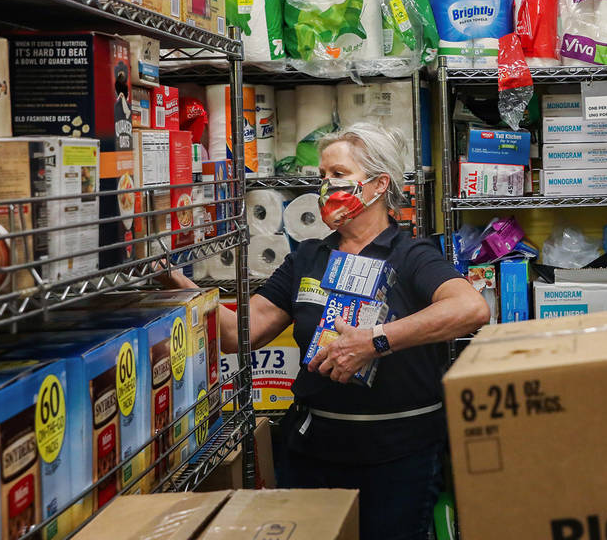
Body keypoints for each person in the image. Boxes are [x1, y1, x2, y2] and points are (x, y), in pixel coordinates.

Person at [169, 121, 488, 539]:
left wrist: (376, 341)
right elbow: (239, 334)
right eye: (321, 177)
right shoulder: (308, 258)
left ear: (378, 186)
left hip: (398, 457)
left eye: (338, 175)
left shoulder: (412, 255)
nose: (324, 186)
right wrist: (173, 279)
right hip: (313, 450)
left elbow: (471, 308)